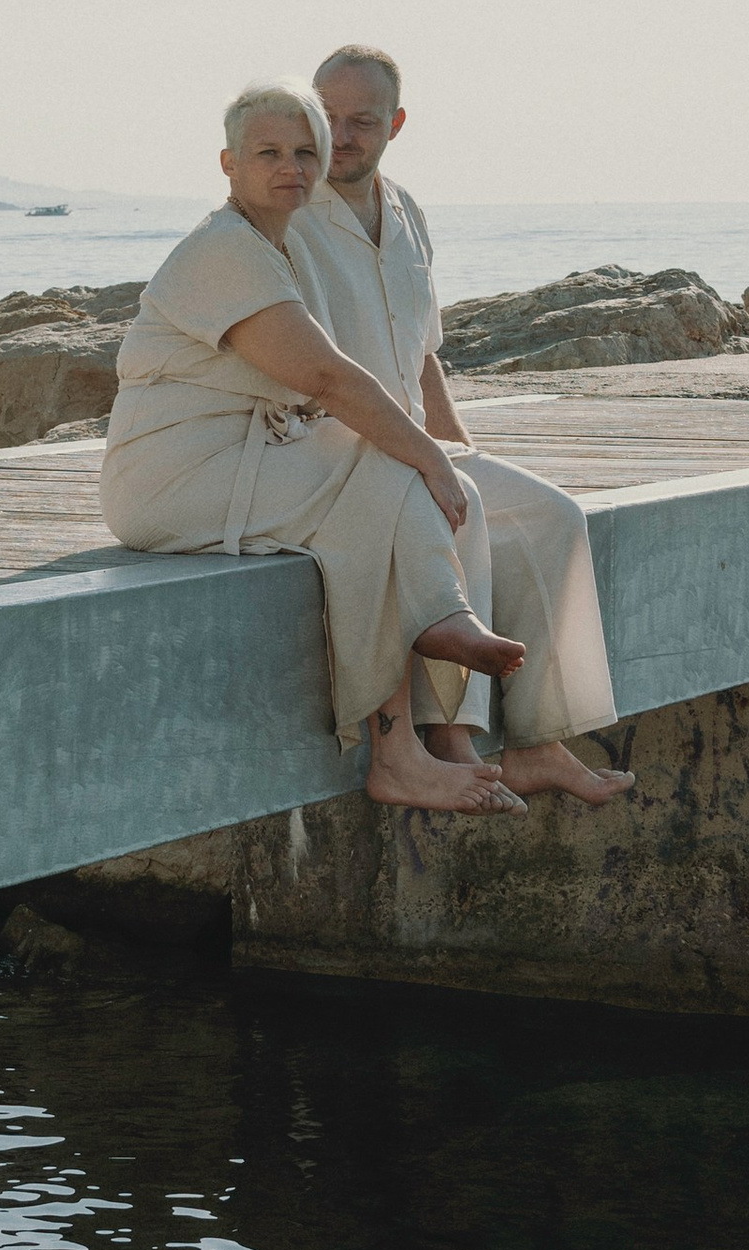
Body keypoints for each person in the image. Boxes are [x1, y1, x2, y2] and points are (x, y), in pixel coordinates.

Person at [101, 81, 532, 815]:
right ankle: (433, 637)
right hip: (172, 477)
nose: (291, 167)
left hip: (252, 457)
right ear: (228, 163)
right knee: (394, 472)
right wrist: (430, 452)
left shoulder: (278, 247)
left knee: (405, 493)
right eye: (268, 153)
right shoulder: (223, 249)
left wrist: (428, 454)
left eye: (306, 152)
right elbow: (326, 375)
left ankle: (422, 732)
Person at [290, 42, 632, 807]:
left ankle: (538, 740)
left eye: (361, 121)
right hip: (339, 455)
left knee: (553, 516)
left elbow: (423, 356)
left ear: (396, 124)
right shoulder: (290, 215)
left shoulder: (407, 213)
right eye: (327, 115)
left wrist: (457, 448)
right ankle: (454, 740)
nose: (339, 135)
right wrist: (433, 466)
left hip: (417, 443)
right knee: (460, 508)